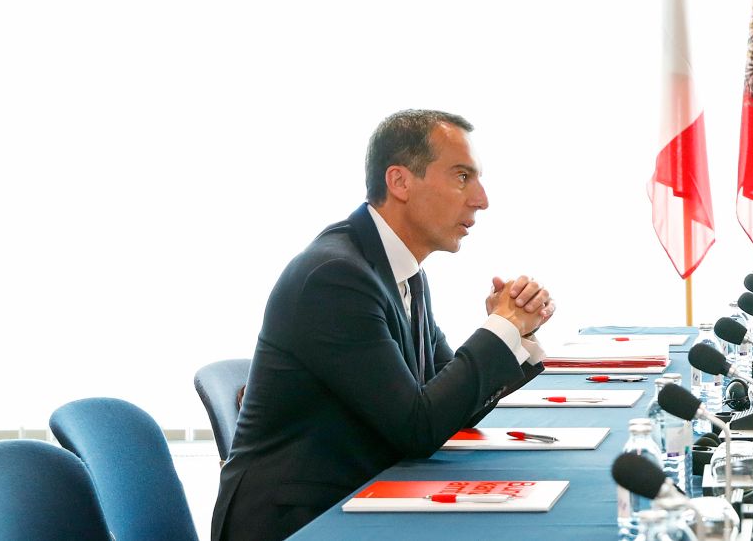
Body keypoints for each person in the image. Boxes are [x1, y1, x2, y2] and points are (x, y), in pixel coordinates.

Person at [212, 110, 554, 541]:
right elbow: (418, 428)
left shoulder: (403, 271)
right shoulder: (336, 277)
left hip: (358, 497)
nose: (481, 199)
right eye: (462, 177)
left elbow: (447, 407)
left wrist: (514, 334)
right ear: (400, 182)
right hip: (301, 520)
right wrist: (498, 328)